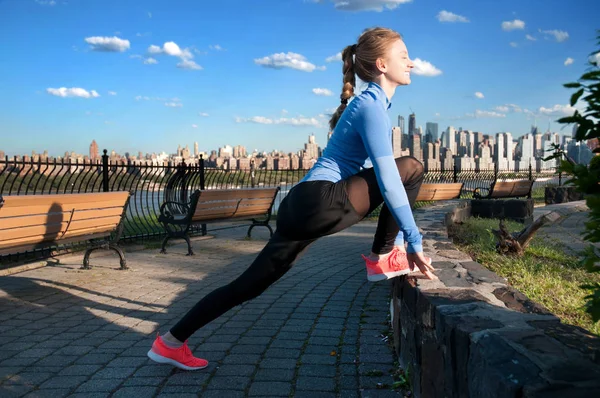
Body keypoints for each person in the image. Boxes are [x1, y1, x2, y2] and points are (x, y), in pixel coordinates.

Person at [147, 26, 437, 371]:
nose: (412, 63)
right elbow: (390, 178)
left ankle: (170, 342)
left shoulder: (368, 104)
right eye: (403, 56)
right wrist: (412, 239)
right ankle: (383, 256)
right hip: (317, 201)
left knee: (247, 287)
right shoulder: (370, 104)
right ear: (381, 64)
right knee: (411, 168)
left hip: (302, 206)